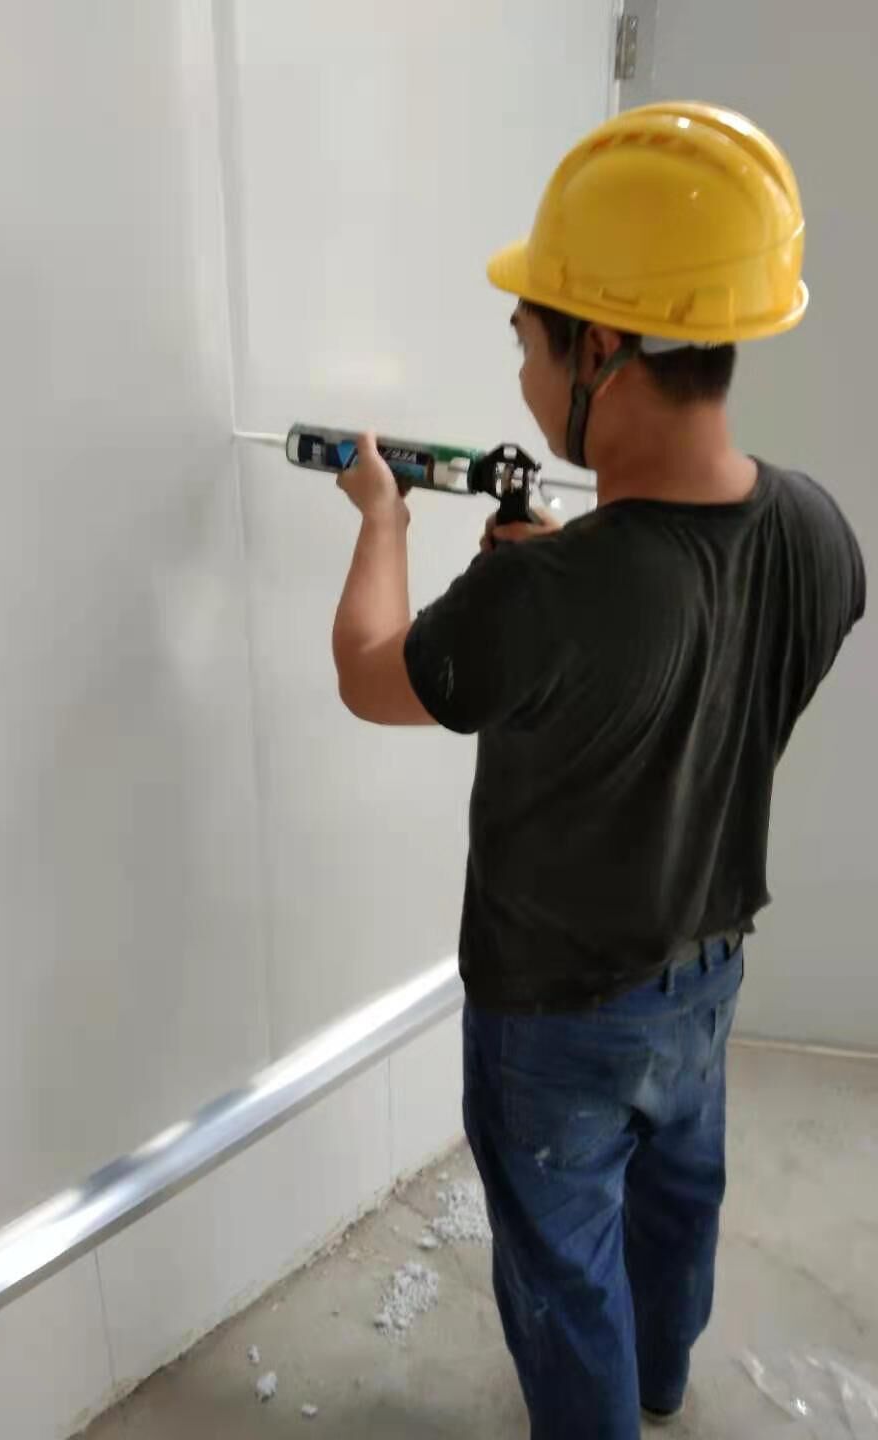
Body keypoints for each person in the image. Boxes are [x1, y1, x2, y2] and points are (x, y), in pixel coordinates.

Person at [330, 103, 865, 1439]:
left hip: (555, 1015)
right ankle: (663, 1385)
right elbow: (689, 655)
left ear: (605, 351)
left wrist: (384, 519)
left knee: (564, 1271)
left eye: (528, 339)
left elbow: (372, 673)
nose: (520, 368)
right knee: (679, 1200)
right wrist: (565, 587)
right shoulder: (817, 529)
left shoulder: (546, 598)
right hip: (705, 972)